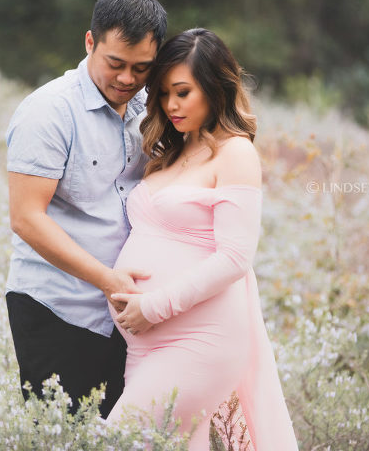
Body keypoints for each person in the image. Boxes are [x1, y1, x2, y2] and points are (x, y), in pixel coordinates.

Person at [107, 28, 299, 450]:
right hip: (144, 344)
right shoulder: (168, 154)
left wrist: (153, 307)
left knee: (109, 441)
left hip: (200, 341)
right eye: (162, 94)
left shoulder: (236, 153)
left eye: (182, 92)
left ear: (214, 89)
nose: (170, 105)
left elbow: (235, 257)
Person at [4, 0, 167, 418]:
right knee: (64, 437)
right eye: (116, 63)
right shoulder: (48, 112)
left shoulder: (151, 109)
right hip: (58, 310)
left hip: (129, 318)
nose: (127, 79)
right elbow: (25, 219)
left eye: (141, 68)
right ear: (90, 42)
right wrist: (107, 280)